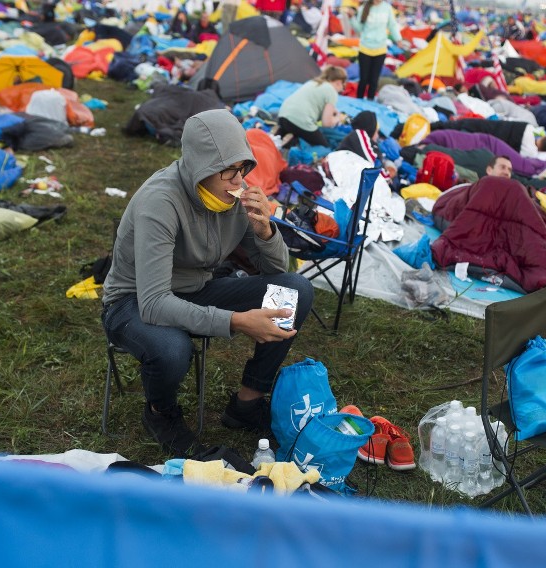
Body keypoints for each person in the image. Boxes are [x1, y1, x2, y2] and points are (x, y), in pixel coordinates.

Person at [102, 109, 315, 457]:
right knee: (173, 349)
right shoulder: (161, 201)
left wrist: (266, 231)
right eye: (228, 172)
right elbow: (154, 302)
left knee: (295, 290)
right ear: (201, 168)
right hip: (133, 301)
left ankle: (247, 402)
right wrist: (236, 322)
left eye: (243, 169)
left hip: (195, 289)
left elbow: (276, 269)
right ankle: (160, 413)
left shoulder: (231, 194)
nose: (238, 181)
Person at [277, 65, 348, 148]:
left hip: (282, 116)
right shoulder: (331, 91)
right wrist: (338, 118)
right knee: (323, 146)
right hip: (300, 120)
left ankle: (283, 135)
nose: (342, 90)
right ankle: (294, 142)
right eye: (343, 86)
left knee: (300, 131)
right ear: (339, 82)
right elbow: (326, 123)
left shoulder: (313, 82)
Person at [349, 0, 402, 100]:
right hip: (365, 48)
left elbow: (392, 25)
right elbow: (359, 29)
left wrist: (398, 39)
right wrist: (351, 18)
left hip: (380, 49)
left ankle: (370, 101)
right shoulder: (364, 8)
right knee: (363, 79)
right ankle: (358, 101)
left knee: (374, 80)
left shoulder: (387, 8)